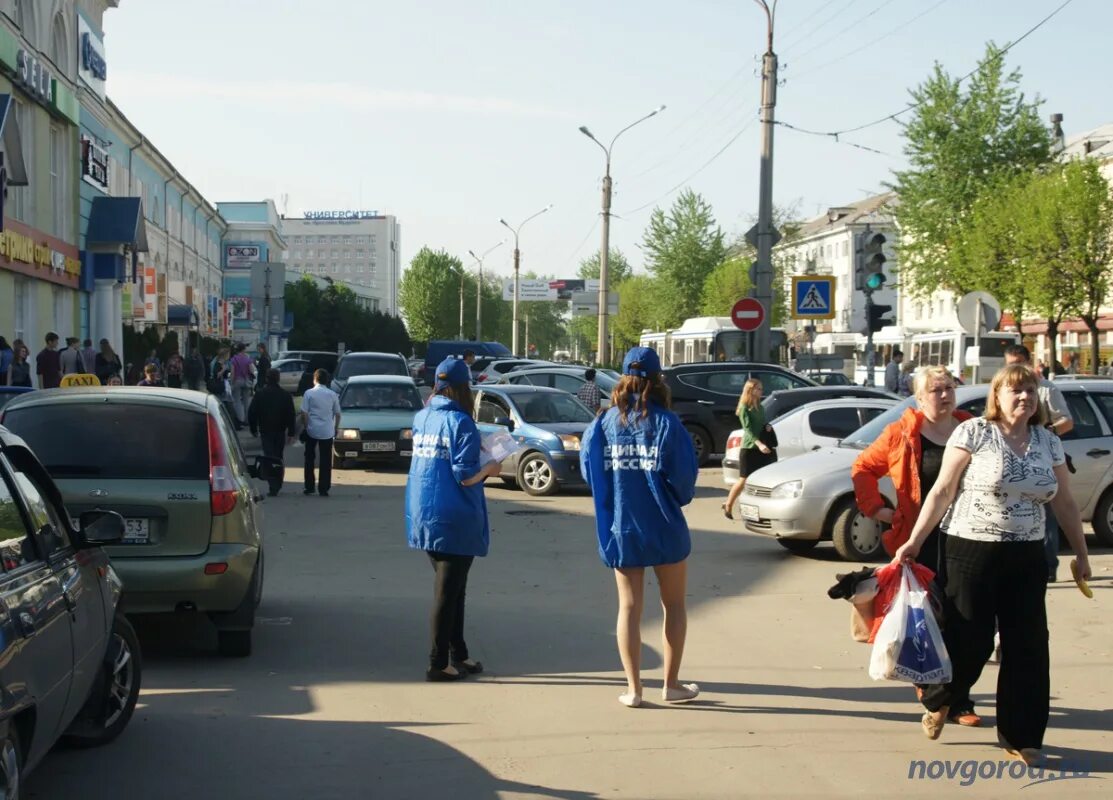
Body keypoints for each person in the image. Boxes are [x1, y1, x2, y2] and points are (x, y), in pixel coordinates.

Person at [894, 365, 1092, 765]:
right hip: (969, 550)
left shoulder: (1047, 441)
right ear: (996, 397)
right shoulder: (974, 433)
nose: (1024, 398)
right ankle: (939, 699)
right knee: (972, 641)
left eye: (1031, 392)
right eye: (1016, 391)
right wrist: (913, 542)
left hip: (1027, 555)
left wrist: (1082, 555)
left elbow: (1065, 503)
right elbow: (943, 490)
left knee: (1028, 645)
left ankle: (1023, 736)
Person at [852, 366, 978, 726]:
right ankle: (933, 686)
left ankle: (957, 698)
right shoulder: (901, 433)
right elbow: (862, 468)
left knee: (965, 616)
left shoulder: (971, 427)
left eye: (949, 387)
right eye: (935, 389)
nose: (944, 394)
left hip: (968, 534)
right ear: (920, 398)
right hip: (919, 539)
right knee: (928, 616)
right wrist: (880, 510)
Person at [580, 346, 700, 708]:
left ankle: (633, 690)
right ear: (657, 378)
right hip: (664, 526)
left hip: (622, 526)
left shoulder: (602, 423)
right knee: (674, 605)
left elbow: (590, 472)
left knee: (629, 607)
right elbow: (683, 482)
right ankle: (672, 684)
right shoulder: (668, 423)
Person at [406, 357, 502, 682]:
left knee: (455, 589)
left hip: (424, 511)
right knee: (447, 593)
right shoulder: (461, 423)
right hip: (454, 514)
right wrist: (491, 467)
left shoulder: (422, 418)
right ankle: (437, 663)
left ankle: (459, 653)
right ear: (463, 388)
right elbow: (465, 475)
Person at [1003, 344, 1074, 582]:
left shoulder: (1045, 390)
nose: (1013, 367)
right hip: (1014, 458)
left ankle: (1049, 567)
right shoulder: (1004, 388)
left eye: (1017, 362)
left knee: (1048, 513)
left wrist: (1045, 433)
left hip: (1041, 458)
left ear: (1027, 361)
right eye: (1009, 363)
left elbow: (1067, 422)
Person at [722, 378, 775, 519]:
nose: (761, 391)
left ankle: (761, 509)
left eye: (761, 389)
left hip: (761, 447)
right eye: (759, 389)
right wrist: (759, 444)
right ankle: (728, 504)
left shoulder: (760, 407)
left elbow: (762, 423)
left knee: (762, 479)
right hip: (749, 448)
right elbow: (748, 430)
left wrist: (767, 426)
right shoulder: (745, 408)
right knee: (743, 479)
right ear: (750, 390)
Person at [249, 368, 296, 497]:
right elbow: (291, 414)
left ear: (266, 379)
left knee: (269, 456)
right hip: (280, 430)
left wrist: (253, 429)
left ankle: (273, 483)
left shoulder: (260, 394)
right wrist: (291, 432)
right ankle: (277, 481)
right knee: (278, 456)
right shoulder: (285, 395)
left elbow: (252, 413)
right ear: (278, 379)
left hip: (266, 430)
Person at [298, 368, 341, 497]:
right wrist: (335, 428)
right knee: (326, 460)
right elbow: (337, 414)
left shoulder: (309, 393)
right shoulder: (332, 394)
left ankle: (309, 486)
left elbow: (304, 413)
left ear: (315, 379)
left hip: (312, 430)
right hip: (327, 431)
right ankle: (324, 488)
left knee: (309, 458)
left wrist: (306, 427)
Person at [229, 344, 255, 426]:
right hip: (246, 381)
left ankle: (240, 419)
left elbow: (232, 372)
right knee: (246, 401)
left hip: (237, 381)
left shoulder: (234, 359)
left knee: (237, 401)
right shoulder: (248, 359)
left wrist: (231, 382)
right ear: (243, 349)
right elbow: (252, 370)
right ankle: (247, 420)